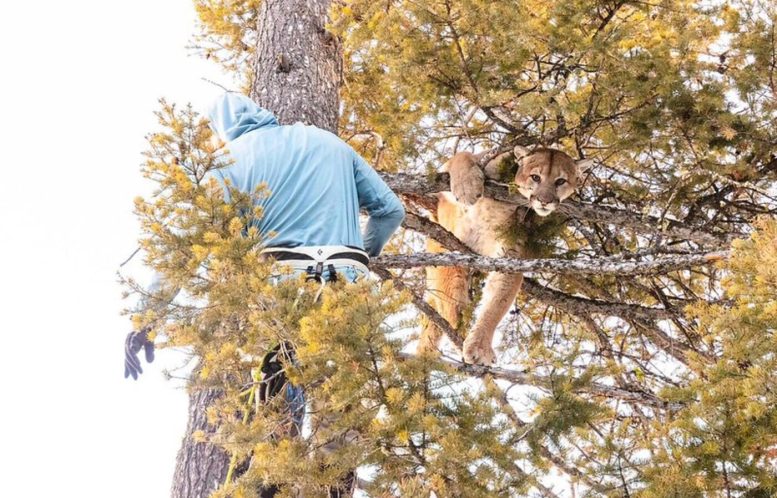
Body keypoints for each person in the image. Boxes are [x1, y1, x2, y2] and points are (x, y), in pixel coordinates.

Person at [124, 92, 405, 497]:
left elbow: (183, 246)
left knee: (275, 411)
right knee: (341, 417)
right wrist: (361, 257)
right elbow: (391, 210)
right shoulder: (330, 143)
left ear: (226, 130)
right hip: (348, 286)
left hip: (281, 287)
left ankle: (273, 480)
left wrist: (145, 319)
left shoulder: (229, 162)